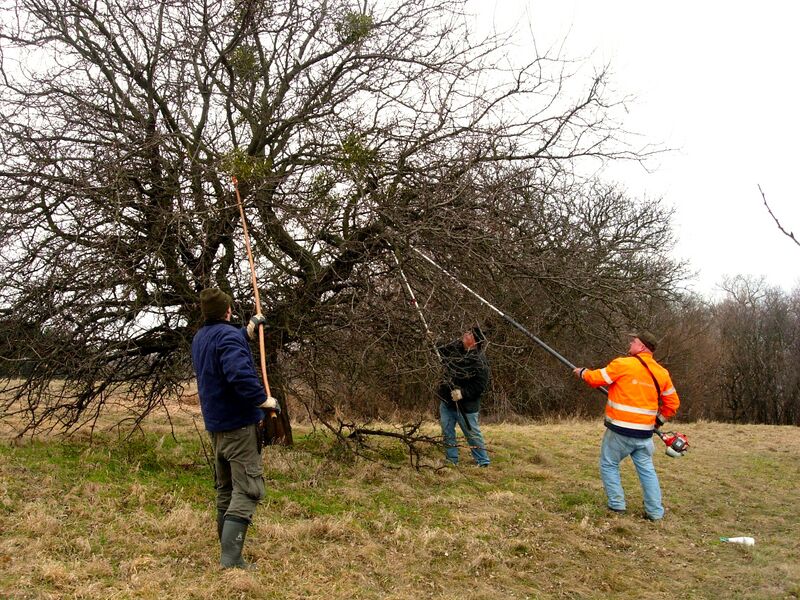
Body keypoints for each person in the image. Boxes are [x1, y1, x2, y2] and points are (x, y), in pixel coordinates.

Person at [190, 288, 280, 568]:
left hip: (217, 426)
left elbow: (225, 345)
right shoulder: (227, 337)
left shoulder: (201, 337)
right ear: (228, 310)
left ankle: (228, 554)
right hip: (239, 426)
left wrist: (248, 331)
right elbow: (239, 374)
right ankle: (231, 559)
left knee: (226, 489)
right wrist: (263, 400)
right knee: (248, 490)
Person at [572, 331, 680, 521]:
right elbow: (673, 404)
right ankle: (655, 512)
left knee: (609, 463)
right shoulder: (662, 373)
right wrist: (658, 421)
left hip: (620, 431)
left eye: (634, 341)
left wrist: (582, 372)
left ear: (642, 346)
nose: (630, 343)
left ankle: (617, 505)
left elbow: (596, 378)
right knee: (647, 470)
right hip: (645, 434)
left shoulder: (623, 364)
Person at [436, 325, 491, 467]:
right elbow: (441, 350)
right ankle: (451, 460)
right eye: (466, 332)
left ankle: (483, 461)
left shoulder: (479, 361)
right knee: (447, 431)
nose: (465, 334)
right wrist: (433, 340)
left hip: (466, 406)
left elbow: (480, 386)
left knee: (472, 434)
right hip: (447, 401)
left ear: (476, 341)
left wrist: (463, 393)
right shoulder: (456, 349)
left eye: (470, 334)